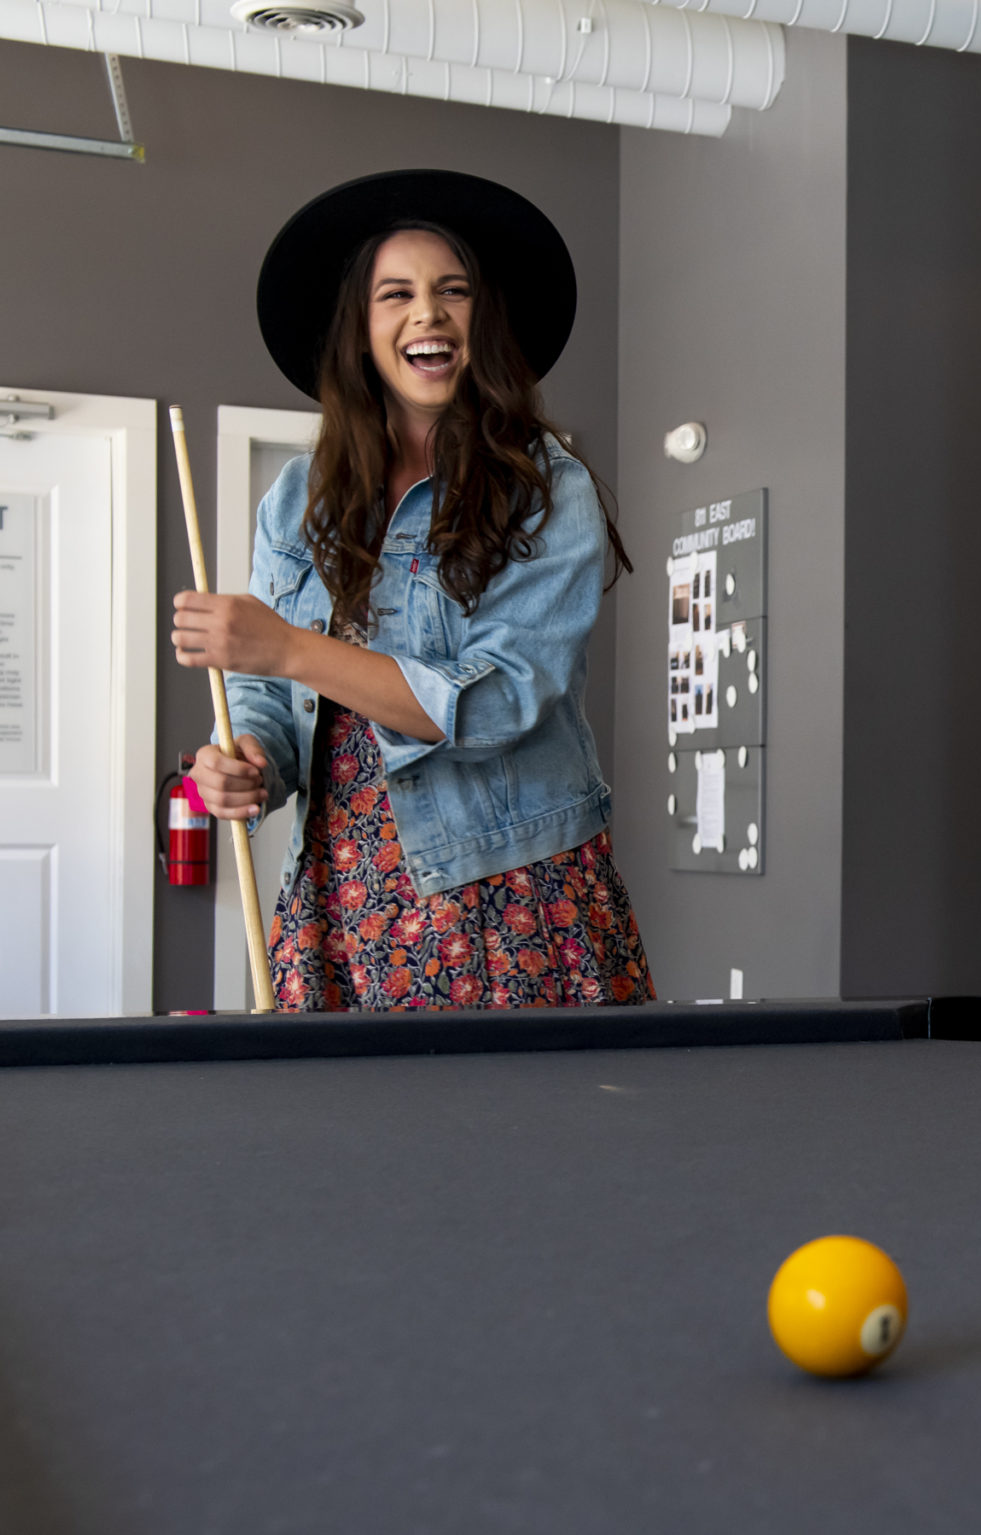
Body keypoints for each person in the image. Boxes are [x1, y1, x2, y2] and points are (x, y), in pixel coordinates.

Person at [174, 171, 654, 1011]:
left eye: (452, 292)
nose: (427, 313)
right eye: (395, 294)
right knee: (348, 1143)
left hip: (503, 894)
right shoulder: (299, 498)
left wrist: (286, 647)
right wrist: (247, 762)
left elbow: (500, 701)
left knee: (521, 1141)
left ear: (483, 319)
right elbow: (264, 696)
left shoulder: (546, 489)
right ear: (360, 331)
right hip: (337, 895)